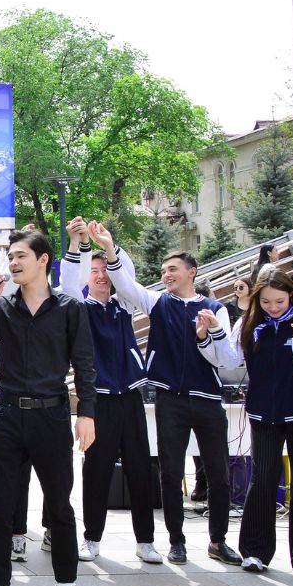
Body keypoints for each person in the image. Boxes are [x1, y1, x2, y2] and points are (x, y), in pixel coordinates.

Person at [93, 222, 241, 568]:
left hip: (208, 399)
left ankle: (218, 541)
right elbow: (126, 286)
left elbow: (227, 361)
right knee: (171, 473)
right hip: (169, 398)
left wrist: (210, 334)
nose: (166, 275)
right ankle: (177, 541)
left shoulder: (214, 309)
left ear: (192, 272)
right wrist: (110, 249)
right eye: (163, 271)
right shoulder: (158, 302)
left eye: (173, 269)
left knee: (218, 473)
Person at [0, 229, 96, 586]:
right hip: (7, 415)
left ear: (43, 260)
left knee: (59, 506)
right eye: (10, 256)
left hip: (52, 415)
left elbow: (85, 364)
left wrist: (86, 414)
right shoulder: (4, 304)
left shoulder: (69, 307)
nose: (13, 262)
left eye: (21, 255)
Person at [200, 269, 293, 576]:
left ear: (291, 296)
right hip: (263, 414)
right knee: (263, 479)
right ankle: (255, 551)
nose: (273, 307)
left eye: (280, 301)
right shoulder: (249, 324)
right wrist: (212, 333)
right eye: (266, 302)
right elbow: (229, 360)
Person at [59, 221, 162, 564]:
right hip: (98, 399)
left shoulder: (124, 305)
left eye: (106, 270)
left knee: (140, 470)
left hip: (130, 397)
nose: (101, 276)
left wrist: (109, 246)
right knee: (97, 471)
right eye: (95, 271)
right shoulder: (79, 307)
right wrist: (78, 244)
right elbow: (68, 283)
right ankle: (91, 538)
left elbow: (127, 279)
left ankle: (145, 541)